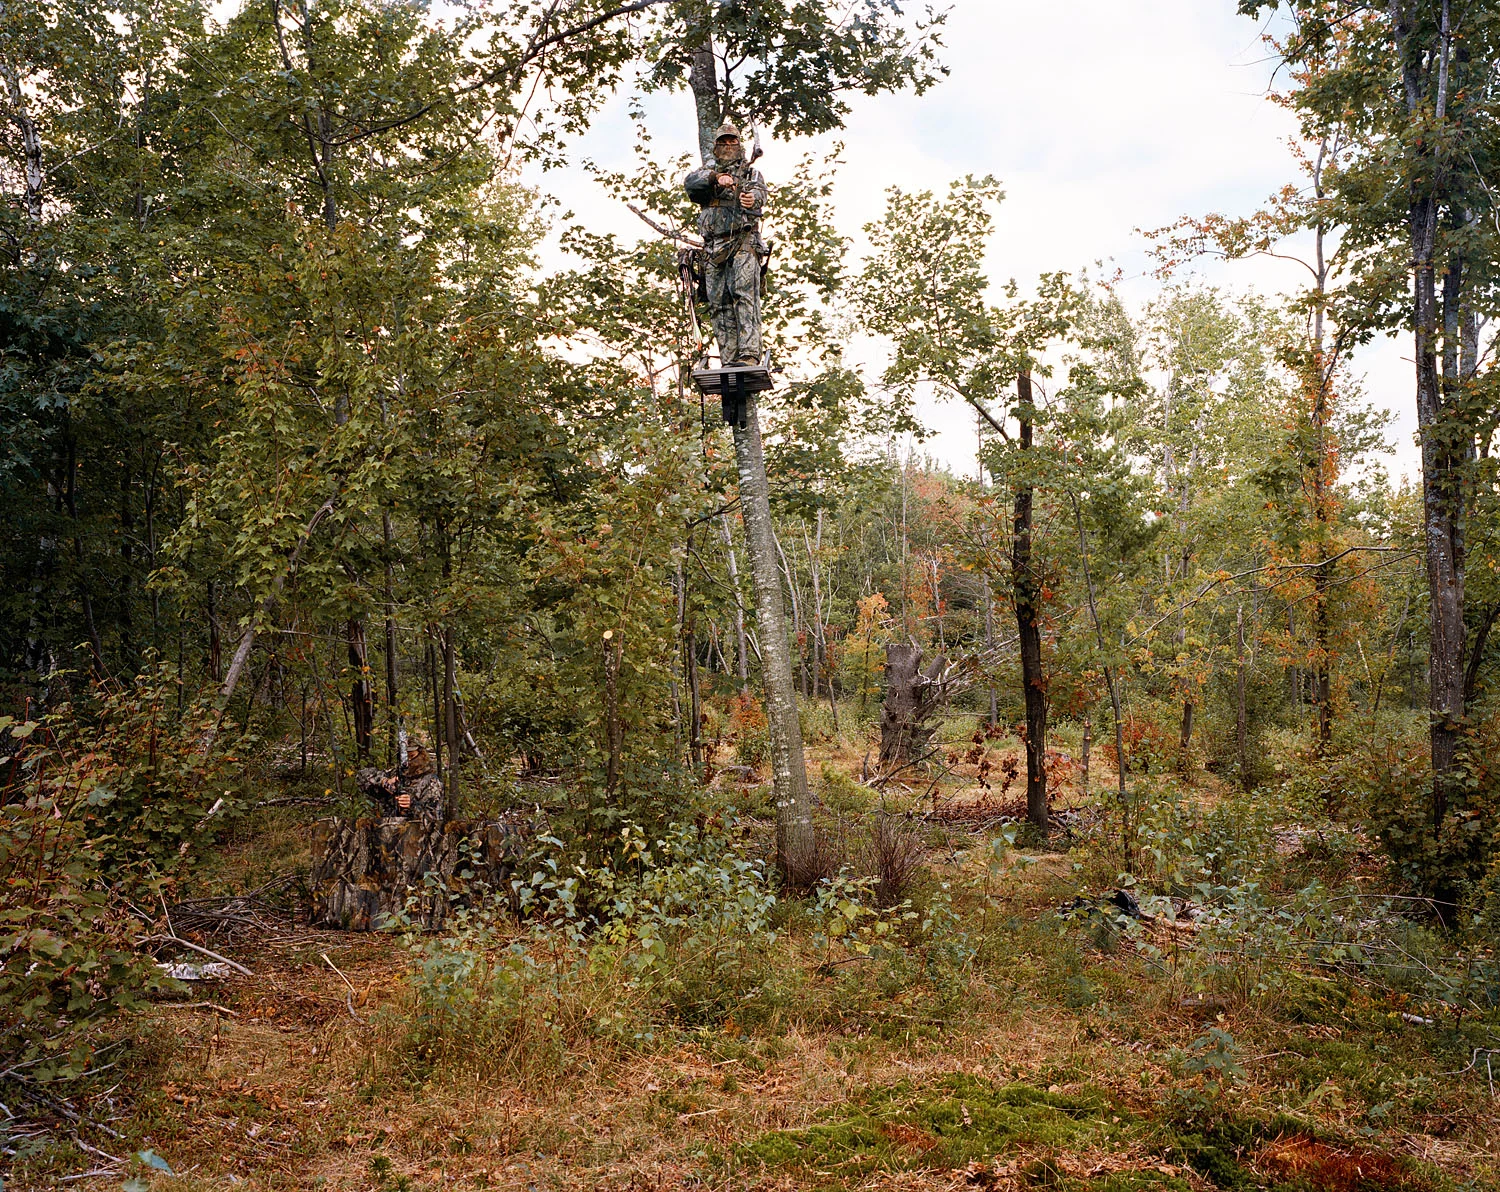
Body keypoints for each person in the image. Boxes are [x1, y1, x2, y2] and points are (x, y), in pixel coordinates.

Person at [683, 123, 768, 367]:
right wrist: (717, 178)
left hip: (743, 244)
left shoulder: (751, 174)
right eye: (724, 141)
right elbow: (691, 184)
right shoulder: (705, 173)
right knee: (718, 303)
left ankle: (749, 355)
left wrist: (751, 199)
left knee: (743, 297)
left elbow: (759, 194)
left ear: (739, 145)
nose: (729, 145)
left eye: (733, 141)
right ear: (716, 146)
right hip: (712, 250)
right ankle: (729, 358)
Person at [355, 738, 445, 825]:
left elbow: (434, 819)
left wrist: (412, 804)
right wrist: (384, 782)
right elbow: (361, 777)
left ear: (422, 754)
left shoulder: (431, 781)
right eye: (404, 757)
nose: (408, 761)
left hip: (417, 833)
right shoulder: (394, 774)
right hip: (390, 831)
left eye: (412, 756)